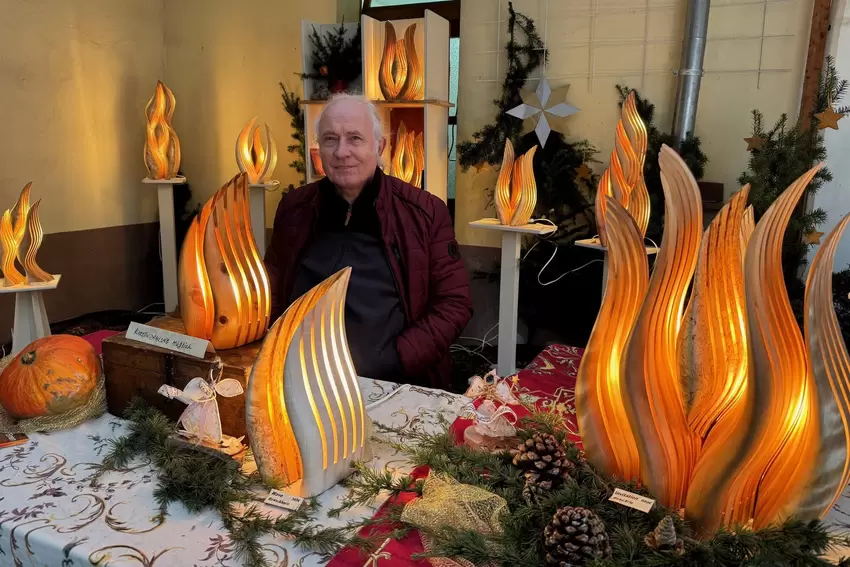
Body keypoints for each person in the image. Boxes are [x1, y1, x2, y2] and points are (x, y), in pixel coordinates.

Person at [264, 94, 472, 390]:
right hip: (302, 379)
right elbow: (270, 291)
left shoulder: (424, 213)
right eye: (330, 139)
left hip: (392, 383)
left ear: (379, 146)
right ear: (319, 149)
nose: (342, 152)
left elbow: (454, 304)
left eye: (355, 138)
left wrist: (397, 359)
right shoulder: (294, 209)